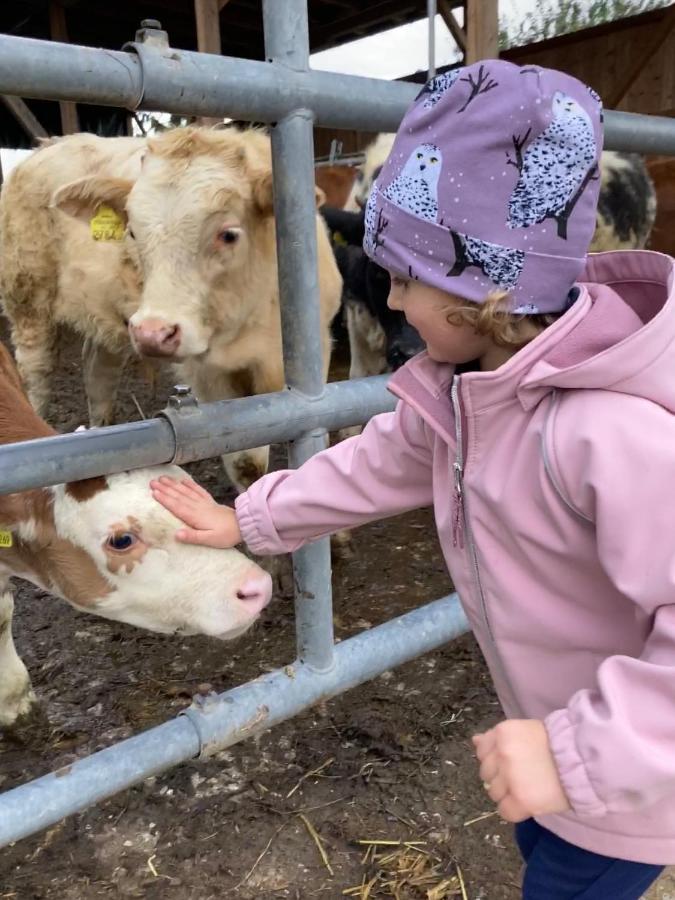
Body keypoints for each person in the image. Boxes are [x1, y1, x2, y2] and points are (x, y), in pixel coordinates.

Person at [151, 59, 675, 898]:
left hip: (624, 774)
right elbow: (382, 459)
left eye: (405, 280)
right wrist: (249, 519)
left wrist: (579, 756)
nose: (389, 304)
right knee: (537, 853)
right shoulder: (475, 390)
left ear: (490, 288)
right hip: (546, 733)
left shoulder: (612, 434)